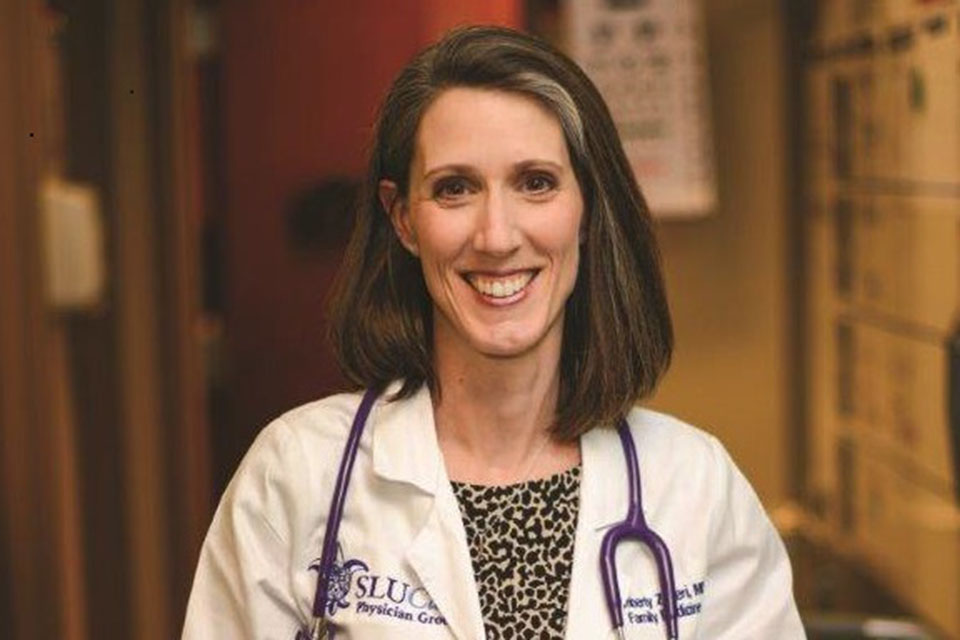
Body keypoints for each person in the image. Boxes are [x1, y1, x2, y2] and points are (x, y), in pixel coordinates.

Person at [182, 25, 805, 640]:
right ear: (403, 219)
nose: (498, 236)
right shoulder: (296, 476)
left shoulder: (694, 484)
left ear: (586, 209)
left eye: (536, 183)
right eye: (455, 189)